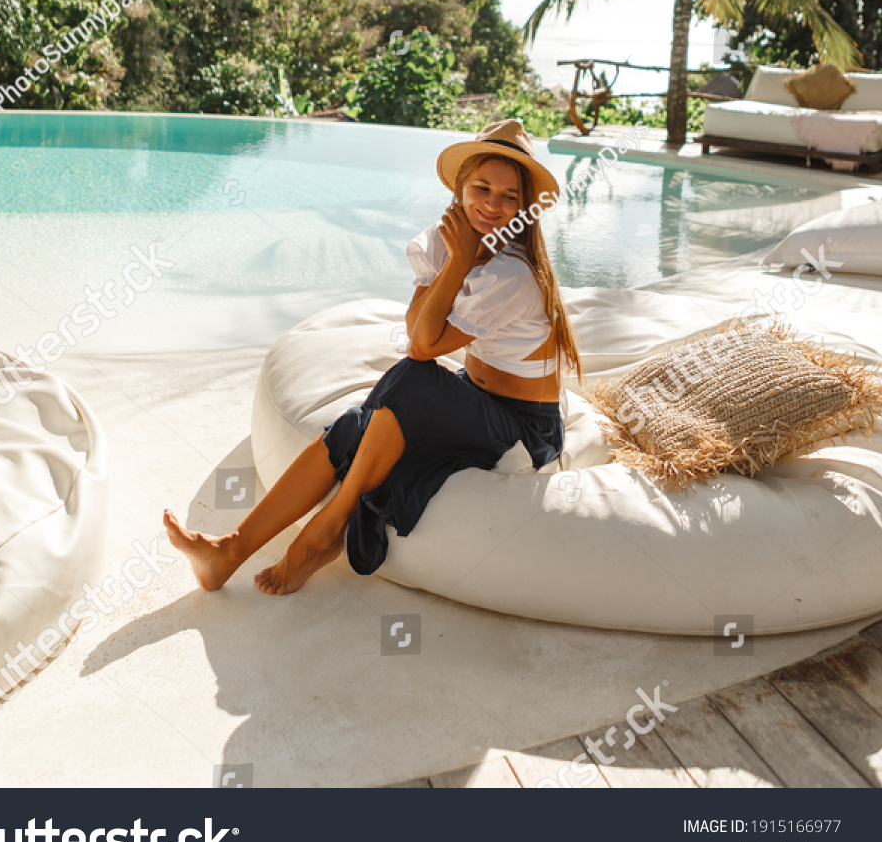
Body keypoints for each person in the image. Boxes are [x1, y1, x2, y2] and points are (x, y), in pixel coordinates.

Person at [164, 119, 580, 595]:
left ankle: (326, 530)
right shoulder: (456, 244)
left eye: (509, 197)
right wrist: (455, 259)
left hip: (525, 432)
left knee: (413, 378)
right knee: (354, 425)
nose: (492, 203)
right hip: (480, 402)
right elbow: (416, 327)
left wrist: (460, 262)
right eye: (482, 187)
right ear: (460, 191)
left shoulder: (511, 274)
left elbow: (422, 347)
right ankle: (229, 550)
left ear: (525, 208)